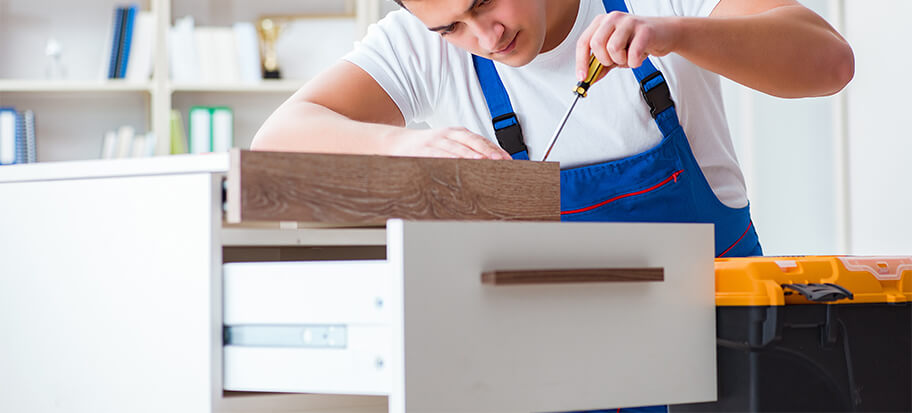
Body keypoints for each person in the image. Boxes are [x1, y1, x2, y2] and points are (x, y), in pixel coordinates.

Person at [252, 0, 853, 258]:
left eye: (485, 2)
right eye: (452, 28)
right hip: (552, 359)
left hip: (728, 346)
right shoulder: (419, 44)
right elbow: (277, 139)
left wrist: (677, 34)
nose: (484, 37)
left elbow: (831, 62)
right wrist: (401, 145)